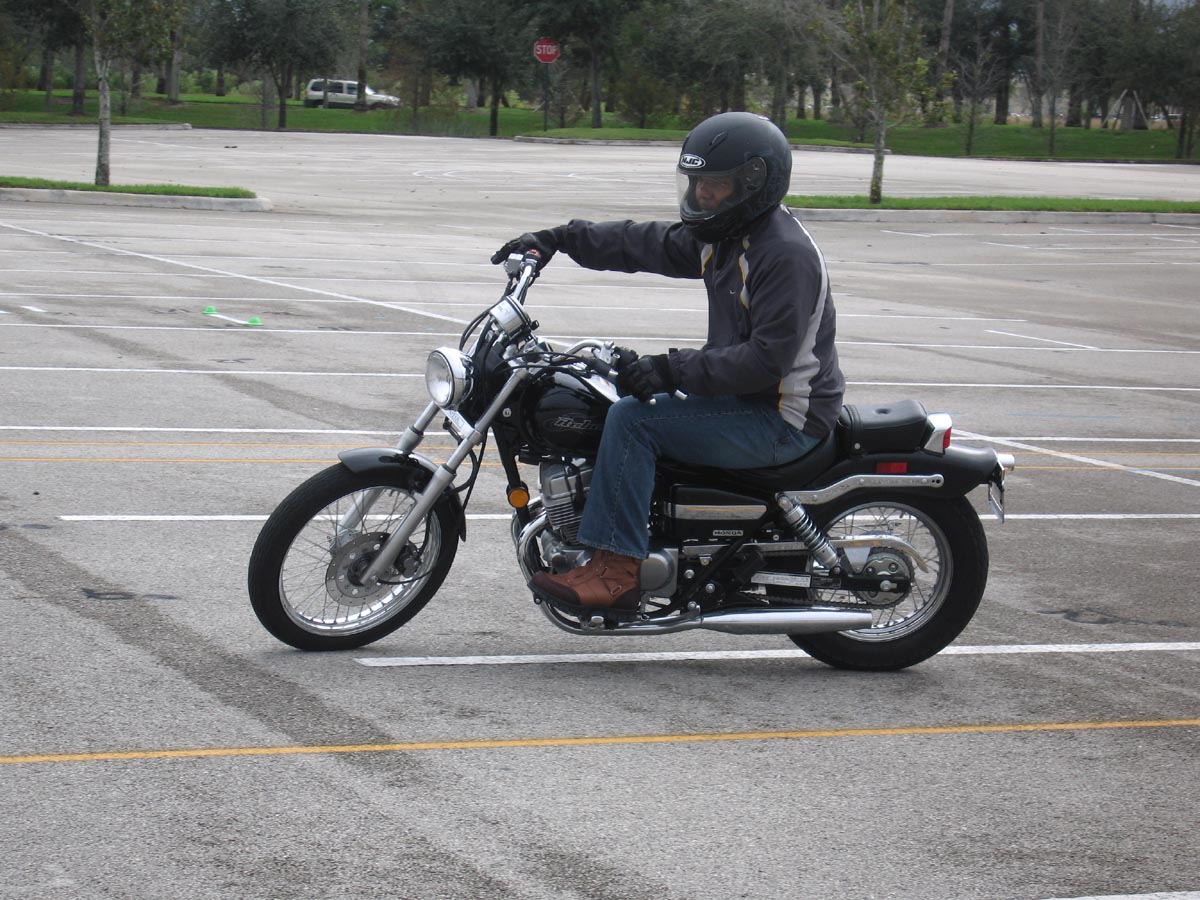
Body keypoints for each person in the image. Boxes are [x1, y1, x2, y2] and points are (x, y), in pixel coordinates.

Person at [491, 111, 845, 616]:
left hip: (783, 417)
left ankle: (616, 573)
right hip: (746, 399)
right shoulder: (728, 237)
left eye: (715, 184)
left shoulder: (783, 255)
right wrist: (559, 239)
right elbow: (643, 242)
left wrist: (670, 369)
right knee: (614, 394)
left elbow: (765, 361)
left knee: (634, 421)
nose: (701, 194)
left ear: (753, 183)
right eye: (696, 182)